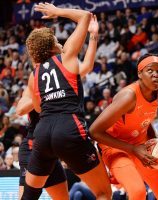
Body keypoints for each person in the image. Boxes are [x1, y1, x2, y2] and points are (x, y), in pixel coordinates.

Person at [21, 3, 111, 200]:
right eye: (55, 38)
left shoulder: (34, 74)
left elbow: (38, 107)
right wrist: (58, 12)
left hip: (43, 133)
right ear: (51, 45)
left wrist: (93, 36)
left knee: (29, 195)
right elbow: (85, 16)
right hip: (69, 127)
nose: (59, 40)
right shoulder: (66, 56)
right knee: (103, 192)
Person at [89, 53, 158, 200]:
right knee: (138, 192)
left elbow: (145, 120)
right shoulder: (128, 96)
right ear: (139, 73)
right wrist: (133, 149)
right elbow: (94, 132)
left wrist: (155, 142)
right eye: (150, 71)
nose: (155, 75)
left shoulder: (157, 92)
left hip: (140, 147)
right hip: (116, 149)